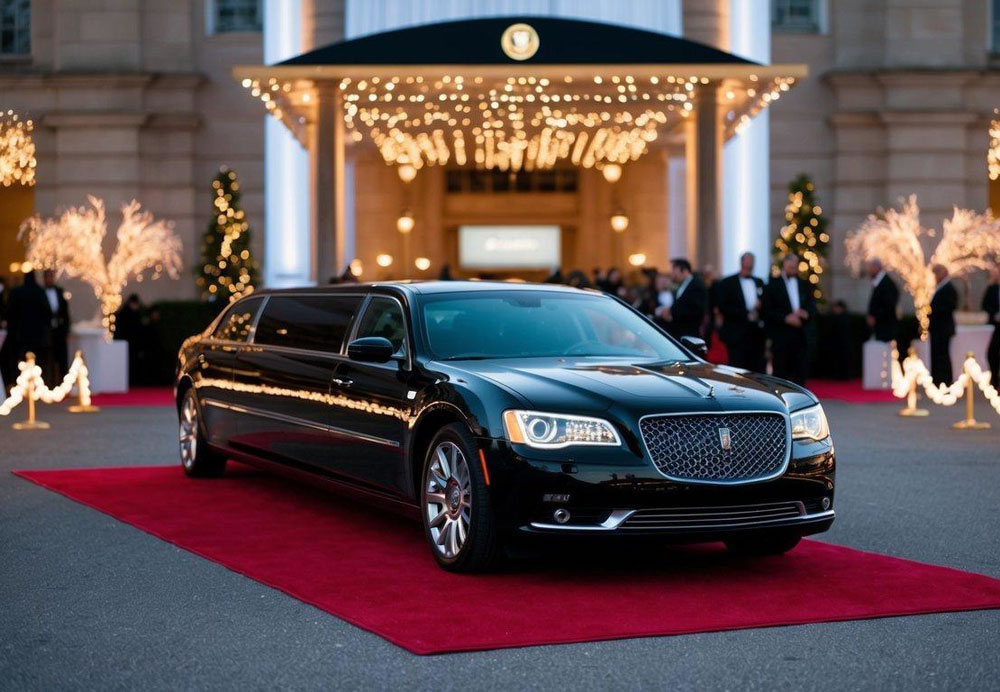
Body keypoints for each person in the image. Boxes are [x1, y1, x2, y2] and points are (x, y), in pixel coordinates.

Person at [765, 253, 816, 385]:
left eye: (795, 266)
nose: (794, 269)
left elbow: (811, 307)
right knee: (780, 373)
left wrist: (806, 314)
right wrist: (785, 318)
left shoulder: (804, 284)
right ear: (784, 265)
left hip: (801, 335)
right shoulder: (773, 284)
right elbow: (767, 310)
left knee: (800, 372)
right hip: (781, 335)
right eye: (791, 266)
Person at [716, 252, 766, 372]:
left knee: (756, 368)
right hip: (736, 333)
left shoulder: (759, 282)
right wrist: (745, 314)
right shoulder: (728, 283)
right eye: (748, 261)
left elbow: (767, 303)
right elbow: (723, 306)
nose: (750, 264)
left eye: (752, 261)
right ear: (742, 262)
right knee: (737, 368)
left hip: (756, 333)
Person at [5, 271, 52, 369]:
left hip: (20, 334)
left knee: (21, 363)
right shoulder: (40, 292)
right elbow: (47, 313)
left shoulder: (16, 292)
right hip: (38, 334)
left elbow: (10, 313)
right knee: (37, 363)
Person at [660, 258, 706, 340]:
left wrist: (671, 312)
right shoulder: (683, 284)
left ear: (684, 271)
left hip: (689, 331)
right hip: (679, 330)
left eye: (675, 272)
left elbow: (695, 309)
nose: (673, 275)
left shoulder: (696, 285)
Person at [928, 263, 958, 385]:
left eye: (937, 273)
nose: (935, 276)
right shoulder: (940, 287)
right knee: (937, 354)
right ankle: (937, 379)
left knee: (943, 355)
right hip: (937, 328)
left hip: (943, 328)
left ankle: (944, 380)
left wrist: (934, 312)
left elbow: (949, 307)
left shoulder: (949, 288)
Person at [42, 269, 71, 382]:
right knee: (48, 358)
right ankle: (49, 382)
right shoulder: (41, 293)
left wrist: (66, 329)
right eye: (48, 277)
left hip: (59, 330)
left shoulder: (59, 292)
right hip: (47, 331)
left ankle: (63, 382)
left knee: (62, 358)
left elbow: (65, 312)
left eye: (51, 277)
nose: (50, 279)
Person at [865, 258, 899, 342]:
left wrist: (875, 316)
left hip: (885, 328)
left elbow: (889, 304)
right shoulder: (880, 282)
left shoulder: (886, 283)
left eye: (870, 268)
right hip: (880, 327)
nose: (869, 271)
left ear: (877, 267)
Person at [981, 264, 1000, 388]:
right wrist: (994, 314)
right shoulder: (992, 288)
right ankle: (995, 380)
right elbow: (985, 305)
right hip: (997, 326)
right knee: (992, 353)